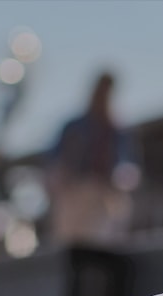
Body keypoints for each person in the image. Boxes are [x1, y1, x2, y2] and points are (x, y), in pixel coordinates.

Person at [46, 72, 141, 246]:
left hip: (103, 195)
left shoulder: (116, 131)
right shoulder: (74, 127)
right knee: (69, 244)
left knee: (101, 243)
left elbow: (126, 165)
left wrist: (123, 178)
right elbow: (55, 161)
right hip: (75, 193)